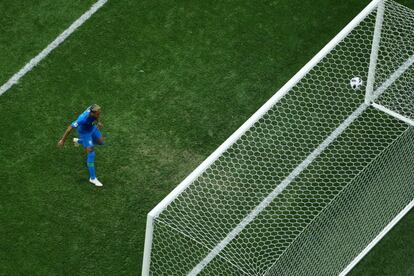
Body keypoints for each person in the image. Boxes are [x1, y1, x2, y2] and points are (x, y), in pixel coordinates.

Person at [58, 104, 105, 187]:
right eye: (97, 113)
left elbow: (97, 116)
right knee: (91, 152)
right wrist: (62, 140)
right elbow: (69, 129)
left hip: (92, 128)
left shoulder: (93, 110)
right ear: (92, 113)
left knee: (101, 142)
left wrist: (98, 122)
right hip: (85, 133)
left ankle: (78, 141)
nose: (99, 114)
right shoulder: (82, 119)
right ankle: (93, 178)